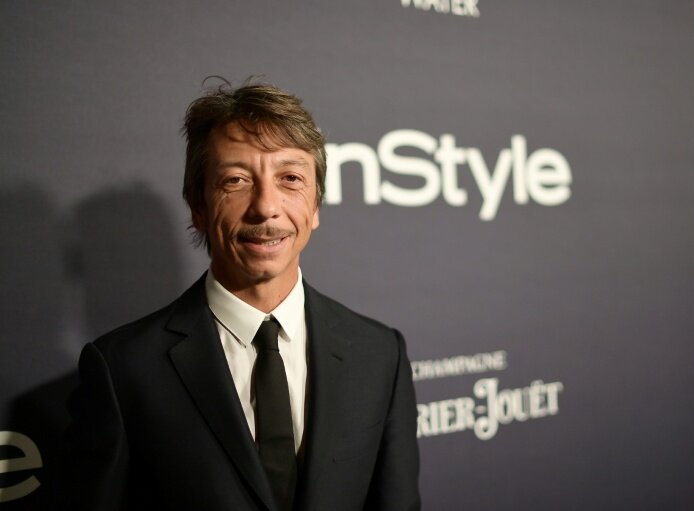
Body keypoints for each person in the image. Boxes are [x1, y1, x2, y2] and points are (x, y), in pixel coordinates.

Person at [57, 80, 421, 511]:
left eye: (290, 178)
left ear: (316, 205)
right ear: (198, 207)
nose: (265, 207)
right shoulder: (122, 370)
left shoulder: (379, 353)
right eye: (236, 180)